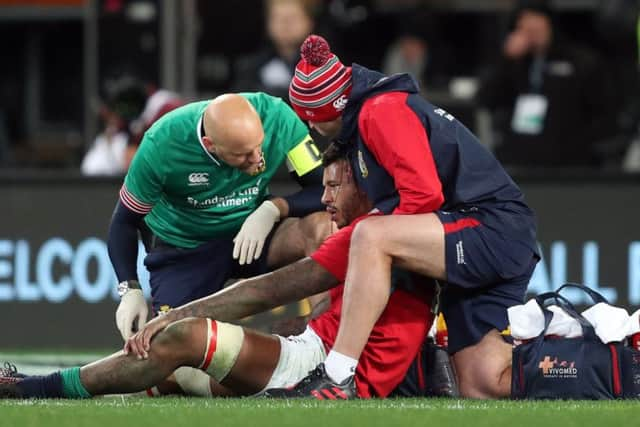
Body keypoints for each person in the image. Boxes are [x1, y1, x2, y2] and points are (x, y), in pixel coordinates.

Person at [0, 147, 435, 400]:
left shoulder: (372, 234)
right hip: (316, 354)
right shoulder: (401, 235)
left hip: (324, 371)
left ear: (365, 184)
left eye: (333, 186)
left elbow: (262, 291)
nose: (323, 197)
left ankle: (33, 388)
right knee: (170, 369)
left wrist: (170, 316)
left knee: (183, 337)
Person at [269, 34, 540, 399]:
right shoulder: (369, 116)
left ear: (329, 109)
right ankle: (604, 366)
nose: (312, 129)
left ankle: (337, 375)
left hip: (491, 227)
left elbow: (425, 194)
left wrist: (377, 235)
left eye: (311, 118)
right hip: (491, 233)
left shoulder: (380, 110)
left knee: (371, 235)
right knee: (481, 383)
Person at [109, 92, 330, 342]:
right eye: (244, 154)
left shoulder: (277, 118)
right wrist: (130, 289)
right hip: (185, 250)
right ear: (211, 145)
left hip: (253, 235)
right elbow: (124, 222)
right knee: (172, 349)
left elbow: (323, 189)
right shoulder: (162, 145)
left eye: (259, 145)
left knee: (323, 226)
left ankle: (322, 338)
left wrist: (274, 208)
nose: (257, 158)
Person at [476, 0, 614, 168]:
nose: (532, 35)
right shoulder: (515, 64)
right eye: (526, 30)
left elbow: (604, 113)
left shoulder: (580, 61)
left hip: (570, 161)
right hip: (519, 157)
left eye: (537, 28)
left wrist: (579, 143)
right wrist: (507, 60)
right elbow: (485, 99)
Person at [232, 0, 317, 101]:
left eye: (292, 19)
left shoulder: (324, 69)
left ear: (310, 22)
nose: (284, 26)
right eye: (277, 18)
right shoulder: (249, 67)